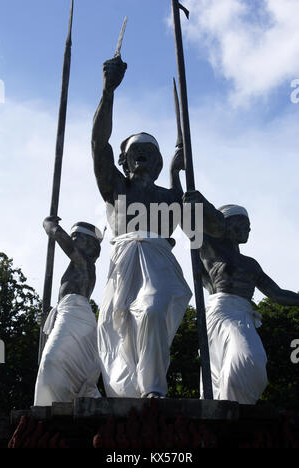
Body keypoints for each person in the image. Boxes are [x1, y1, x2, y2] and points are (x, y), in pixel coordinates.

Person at [91, 55, 192, 398]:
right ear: (124, 159)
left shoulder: (170, 196)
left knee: (150, 310)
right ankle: (130, 392)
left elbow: (193, 231)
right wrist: (108, 92)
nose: (142, 154)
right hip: (124, 263)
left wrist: (180, 177)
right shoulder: (117, 189)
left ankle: (153, 389)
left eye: (149, 149)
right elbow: (98, 145)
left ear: (159, 159)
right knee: (121, 328)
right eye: (135, 149)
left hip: (160, 263)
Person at [183, 191, 299, 404]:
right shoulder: (210, 249)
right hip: (222, 313)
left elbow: (277, 294)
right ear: (225, 225)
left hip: (244, 315)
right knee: (245, 357)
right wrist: (176, 175)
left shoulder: (251, 264)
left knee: (253, 359)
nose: (248, 229)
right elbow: (187, 217)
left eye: (249, 226)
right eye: (243, 224)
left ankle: (235, 404)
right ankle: (227, 404)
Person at [34, 216, 103, 406]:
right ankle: (60, 402)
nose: (72, 240)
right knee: (59, 363)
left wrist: (50, 226)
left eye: (76, 237)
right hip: (68, 314)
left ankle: (52, 404)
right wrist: (51, 316)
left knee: (51, 361)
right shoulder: (79, 265)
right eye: (72, 237)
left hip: (75, 316)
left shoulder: (85, 263)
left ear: (89, 244)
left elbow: (63, 241)